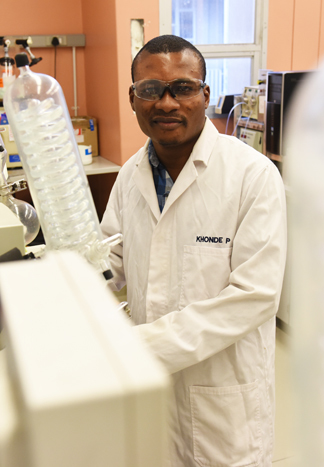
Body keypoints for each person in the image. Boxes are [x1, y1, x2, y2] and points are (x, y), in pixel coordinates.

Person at [100, 35, 287, 467]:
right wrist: (66, 283)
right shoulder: (130, 176)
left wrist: (139, 345)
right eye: (150, 90)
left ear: (205, 94)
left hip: (224, 402)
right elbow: (110, 259)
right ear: (133, 99)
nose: (166, 103)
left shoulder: (252, 176)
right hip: (150, 392)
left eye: (182, 88)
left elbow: (254, 296)